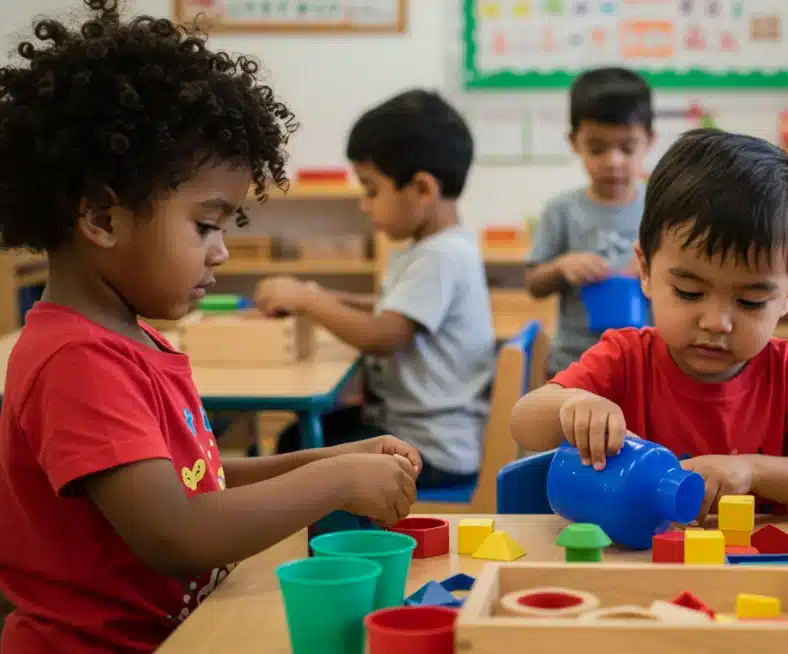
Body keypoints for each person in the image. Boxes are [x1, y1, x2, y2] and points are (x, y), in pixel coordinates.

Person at [0, 2, 423, 651]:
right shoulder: (75, 360)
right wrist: (333, 483)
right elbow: (177, 532)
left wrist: (331, 457)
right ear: (102, 220)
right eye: (206, 225)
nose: (221, 252)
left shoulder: (129, 340)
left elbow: (198, 480)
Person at [511, 128, 788, 519]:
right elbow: (523, 422)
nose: (716, 322)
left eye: (750, 301)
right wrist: (575, 403)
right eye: (689, 292)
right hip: (638, 565)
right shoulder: (624, 358)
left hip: (756, 570)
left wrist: (752, 471)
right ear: (647, 271)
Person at [254, 89, 494, 489]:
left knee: (295, 448)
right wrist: (329, 298)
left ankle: (320, 541)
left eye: (371, 189)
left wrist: (307, 300)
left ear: (422, 189)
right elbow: (394, 306)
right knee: (296, 442)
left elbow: (386, 335)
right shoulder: (438, 249)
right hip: (420, 434)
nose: (365, 205)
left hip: (429, 449)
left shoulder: (440, 256)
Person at [525, 67, 655, 375]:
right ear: (574, 142)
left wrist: (657, 270)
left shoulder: (662, 206)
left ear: (649, 141)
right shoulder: (561, 210)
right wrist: (561, 268)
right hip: (574, 363)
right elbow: (533, 284)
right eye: (597, 148)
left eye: (627, 147)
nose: (613, 161)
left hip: (645, 363)